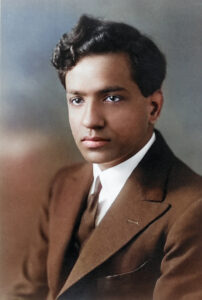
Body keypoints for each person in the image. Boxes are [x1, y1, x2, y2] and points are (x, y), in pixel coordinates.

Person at [10, 15, 202, 300]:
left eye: (111, 98)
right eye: (77, 100)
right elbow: (29, 293)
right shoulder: (66, 183)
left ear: (153, 107)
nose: (90, 120)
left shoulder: (192, 209)